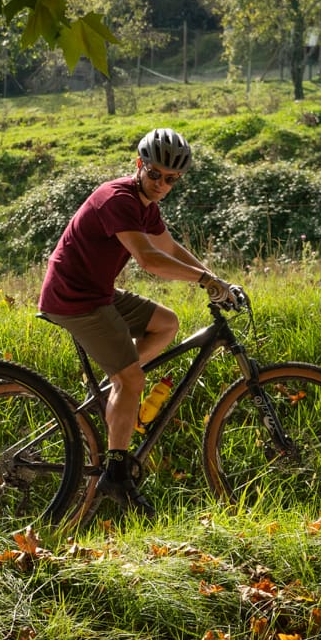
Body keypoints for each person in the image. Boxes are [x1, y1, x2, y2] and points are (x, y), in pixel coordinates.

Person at [38, 127, 239, 514]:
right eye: (156, 174)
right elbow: (149, 259)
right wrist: (205, 280)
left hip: (97, 292)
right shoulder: (117, 198)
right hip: (74, 298)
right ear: (139, 165)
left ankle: (118, 392)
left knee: (166, 324)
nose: (163, 184)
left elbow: (168, 246)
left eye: (172, 179)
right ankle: (116, 471)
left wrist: (216, 281)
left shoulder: (146, 204)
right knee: (132, 378)